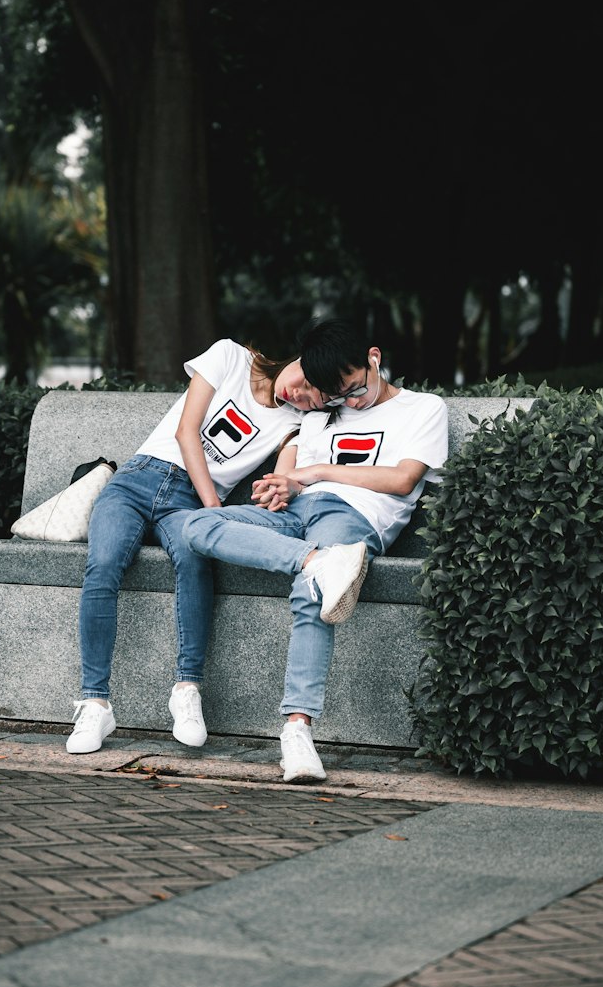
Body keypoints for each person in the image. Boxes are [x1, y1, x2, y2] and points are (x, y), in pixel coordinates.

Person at [182, 318, 448, 783]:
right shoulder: (320, 412)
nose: (348, 402)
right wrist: (280, 486)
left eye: (353, 390)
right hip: (297, 516)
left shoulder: (423, 408)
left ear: (374, 357)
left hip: (353, 516)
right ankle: (318, 561)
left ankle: (297, 731)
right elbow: (291, 472)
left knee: (312, 592)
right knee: (198, 524)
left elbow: (403, 479)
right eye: (336, 396)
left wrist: (316, 472)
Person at [67, 336, 324, 754]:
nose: (301, 394)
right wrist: (212, 511)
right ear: (299, 357)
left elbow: (283, 473)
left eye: (314, 398)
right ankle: (95, 703)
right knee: (103, 564)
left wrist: (281, 490)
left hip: (185, 505)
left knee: (194, 560)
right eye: (305, 381)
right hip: (136, 481)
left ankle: (187, 690)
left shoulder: (293, 421)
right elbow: (187, 432)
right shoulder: (230, 357)